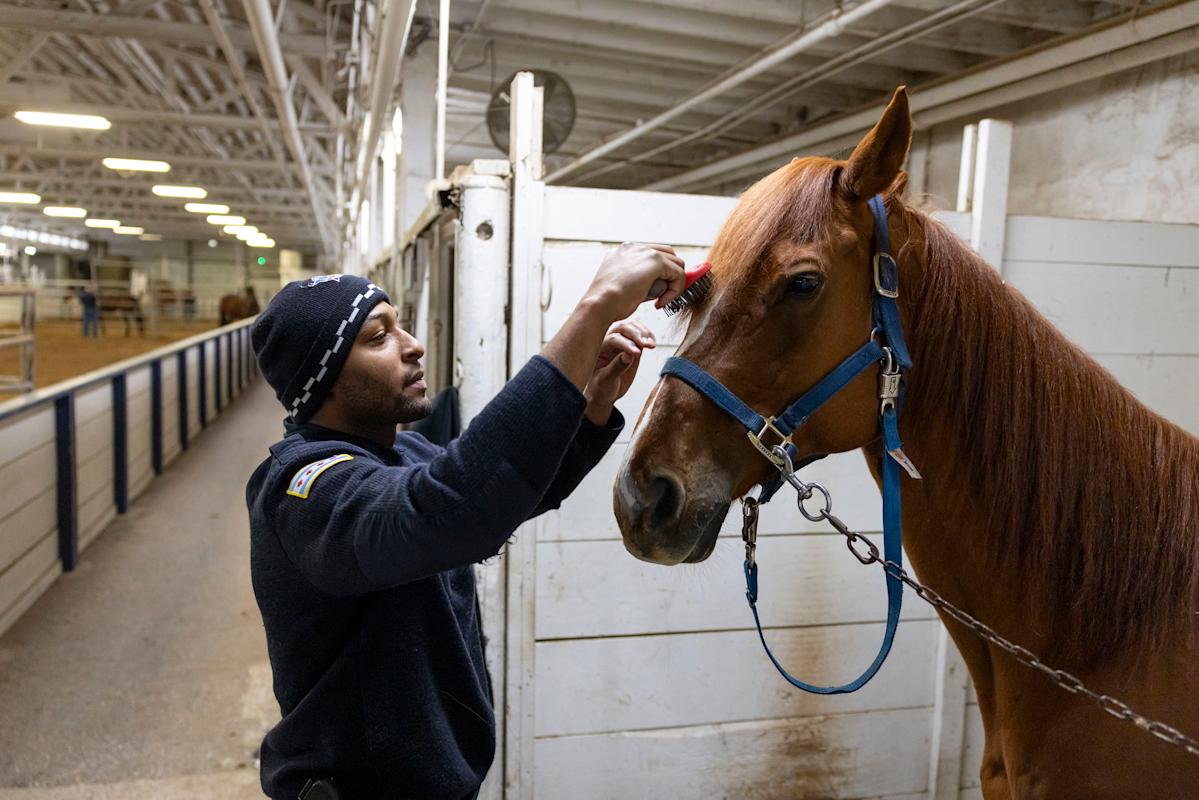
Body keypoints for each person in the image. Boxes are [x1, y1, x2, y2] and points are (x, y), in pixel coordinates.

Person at [245, 243, 685, 800]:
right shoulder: (303, 490)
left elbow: (508, 496)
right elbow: (451, 508)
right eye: (378, 337)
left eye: (398, 327)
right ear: (324, 378)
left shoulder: (402, 456)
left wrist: (592, 400)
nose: (413, 346)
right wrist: (595, 307)